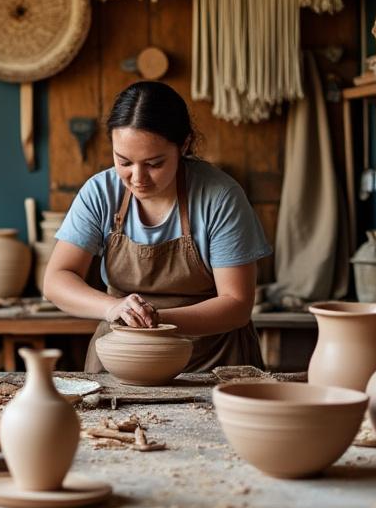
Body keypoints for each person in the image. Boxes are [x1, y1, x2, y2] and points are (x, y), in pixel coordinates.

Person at [43, 80, 271, 371]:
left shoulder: (219, 197)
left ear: (184, 145)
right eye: (124, 162)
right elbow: (57, 279)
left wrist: (156, 320)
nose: (138, 178)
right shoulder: (101, 192)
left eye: (154, 164)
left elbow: (237, 304)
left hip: (210, 362)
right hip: (121, 356)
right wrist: (113, 308)